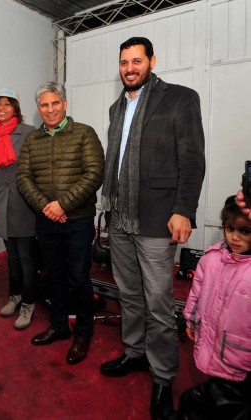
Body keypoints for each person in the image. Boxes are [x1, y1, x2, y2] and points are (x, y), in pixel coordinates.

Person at [98, 37, 205, 420]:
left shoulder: (179, 98)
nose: (130, 67)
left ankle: (163, 375)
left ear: (151, 61)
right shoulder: (115, 108)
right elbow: (117, 160)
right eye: (124, 62)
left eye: (137, 60)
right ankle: (134, 352)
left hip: (159, 217)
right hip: (120, 217)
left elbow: (192, 158)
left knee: (159, 302)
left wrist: (184, 210)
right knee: (128, 293)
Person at [17, 82, 104, 364]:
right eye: (44, 105)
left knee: (78, 278)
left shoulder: (84, 134)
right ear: (38, 108)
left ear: (65, 104)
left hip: (77, 220)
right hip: (46, 220)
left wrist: (62, 204)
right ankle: (58, 326)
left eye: (55, 103)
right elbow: (23, 179)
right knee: (54, 276)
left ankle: (83, 332)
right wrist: (46, 207)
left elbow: (94, 174)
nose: (50, 109)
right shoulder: (32, 141)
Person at [177, 196, 251, 419]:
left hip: (241, 350)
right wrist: (189, 319)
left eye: (244, 231)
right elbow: (197, 291)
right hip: (212, 335)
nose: (234, 237)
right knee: (216, 383)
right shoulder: (211, 258)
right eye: (229, 228)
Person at [0, 88, 37, 329]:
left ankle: (29, 302)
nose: (1, 108)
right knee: (11, 256)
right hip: (0, 203)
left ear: (16, 108)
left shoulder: (29, 133)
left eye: (7, 103)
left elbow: (37, 170)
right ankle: (15, 296)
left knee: (26, 257)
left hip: (24, 202)